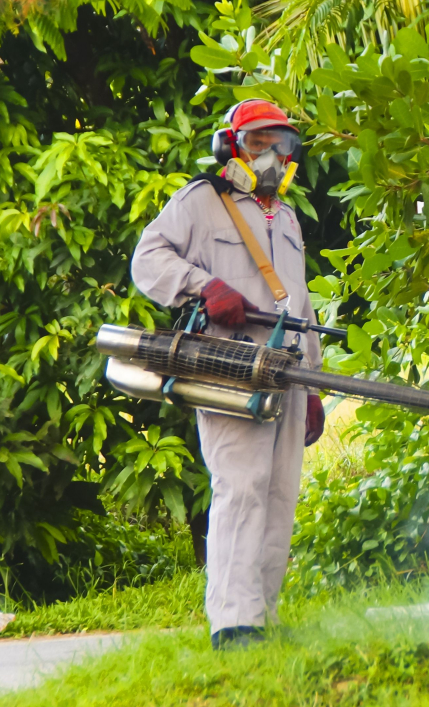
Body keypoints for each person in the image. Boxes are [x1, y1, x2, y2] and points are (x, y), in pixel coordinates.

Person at [130, 99, 325, 650]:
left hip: (288, 373)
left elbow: (301, 306)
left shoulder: (285, 217)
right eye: (260, 142)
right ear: (232, 145)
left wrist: (312, 385)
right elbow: (148, 259)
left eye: (280, 144)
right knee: (240, 488)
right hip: (230, 368)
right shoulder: (202, 201)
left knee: (280, 492)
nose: (271, 154)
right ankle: (233, 625)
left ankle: (262, 618)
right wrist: (203, 286)